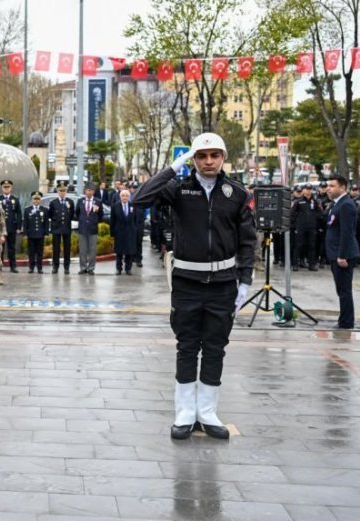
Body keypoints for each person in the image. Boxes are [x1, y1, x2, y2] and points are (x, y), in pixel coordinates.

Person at [132, 132, 256, 441]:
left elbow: (247, 241)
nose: (209, 161)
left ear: (223, 158)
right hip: (187, 283)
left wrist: (246, 281)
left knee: (215, 347)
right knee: (187, 347)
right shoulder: (178, 189)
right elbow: (139, 199)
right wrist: (174, 167)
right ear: (194, 160)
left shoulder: (236, 193)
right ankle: (185, 413)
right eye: (202, 156)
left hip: (224, 284)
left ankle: (208, 412)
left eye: (215, 155)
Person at [325, 175, 360, 329]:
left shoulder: (346, 205)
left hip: (342, 255)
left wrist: (342, 255)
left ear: (343, 188)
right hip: (335, 252)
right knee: (341, 290)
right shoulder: (337, 204)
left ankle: (346, 322)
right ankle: (344, 319)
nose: (328, 188)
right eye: (328, 185)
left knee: (344, 290)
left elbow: (347, 232)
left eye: (332, 186)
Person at [75, 183, 104, 275]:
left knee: (92, 250)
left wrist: (94, 221)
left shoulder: (98, 202)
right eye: (87, 190)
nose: (89, 192)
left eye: (91, 190)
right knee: (82, 249)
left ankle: (91, 268)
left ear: (94, 192)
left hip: (93, 228)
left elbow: (101, 215)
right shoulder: (80, 201)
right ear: (85, 191)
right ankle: (83, 267)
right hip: (82, 228)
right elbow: (77, 213)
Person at [0, 179, 22, 273]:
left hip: (11, 227)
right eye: (4, 187)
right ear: (2, 188)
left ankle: (13, 266)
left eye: (8, 187)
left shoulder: (15, 199)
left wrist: (18, 227)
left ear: (11, 188)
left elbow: (19, 214)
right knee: (0, 248)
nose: (6, 189)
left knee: (11, 248)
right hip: (0, 227)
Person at [292, 184, 320, 271]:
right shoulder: (298, 201)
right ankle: (295, 264)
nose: (308, 191)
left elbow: (319, 213)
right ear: (303, 190)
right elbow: (292, 214)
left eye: (310, 189)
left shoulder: (314, 201)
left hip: (311, 227)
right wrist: (294, 226)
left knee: (311, 246)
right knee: (298, 245)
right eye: (307, 189)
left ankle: (311, 264)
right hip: (301, 227)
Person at [48, 181, 74, 274]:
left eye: (64, 191)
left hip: (66, 228)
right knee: (56, 249)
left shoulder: (70, 202)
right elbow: (50, 215)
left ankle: (66, 267)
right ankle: (55, 266)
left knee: (67, 248)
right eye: (60, 191)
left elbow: (71, 215)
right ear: (58, 191)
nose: (62, 193)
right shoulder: (53, 203)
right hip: (56, 228)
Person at [110, 189, 138, 275]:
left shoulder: (133, 206)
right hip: (119, 232)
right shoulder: (115, 206)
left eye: (126, 196)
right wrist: (112, 233)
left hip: (130, 232)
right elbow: (112, 221)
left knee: (129, 252)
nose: (125, 197)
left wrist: (135, 230)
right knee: (119, 252)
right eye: (123, 196)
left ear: (129, 197)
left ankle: (128, 268)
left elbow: (136, 219)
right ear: (120, 197)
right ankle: (119, 269)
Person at [22, 191, 48, 273]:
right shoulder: (27, 210)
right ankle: (31, 267)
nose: (36, 201)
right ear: (32, 200)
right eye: (34, 199)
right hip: (31, 234)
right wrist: (25, 233)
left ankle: (40, 268)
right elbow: (25, 222)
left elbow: (46, 222)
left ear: (40, 200)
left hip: (40, 234)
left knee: (40, 252)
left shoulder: (44, 210)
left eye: (38, 199)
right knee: (31, 252)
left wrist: (46, 233)